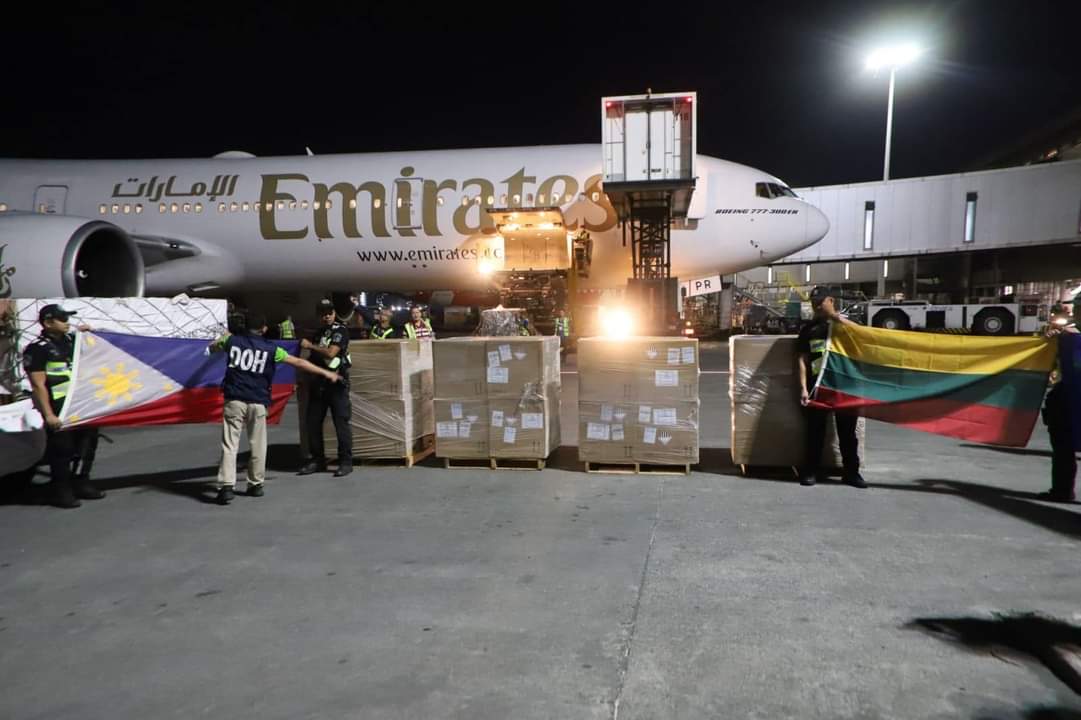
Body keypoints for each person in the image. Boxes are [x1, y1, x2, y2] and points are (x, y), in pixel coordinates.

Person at [207, 313, 340, 505]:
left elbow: (211, 348)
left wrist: (224, 336)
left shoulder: (231, 341)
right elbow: (299, 362)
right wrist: (326, 372)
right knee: (258, 444)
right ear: (263, 329)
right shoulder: (272, 349)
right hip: (258, 400)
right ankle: (255, 484)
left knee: (230, 445)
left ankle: (227, 486)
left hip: (235, 399)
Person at [21, 304, 104, 508]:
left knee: (87, 444)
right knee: (62, 449)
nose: (67, 323)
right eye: (63, 319)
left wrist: (89, 335)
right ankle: (61, 490)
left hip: (81, 403)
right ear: (48, 323)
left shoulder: (73, 341)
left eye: (68, 318)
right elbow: (38, 385)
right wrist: (49, 414)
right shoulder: (37, 348)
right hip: (59, 406)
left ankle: (81, 482)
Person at [796, 288, 866, 488]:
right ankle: (810, 471)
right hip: (818, 386)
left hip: (845, 387)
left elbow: (863, 336)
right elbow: (802, 360)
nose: (817, 306)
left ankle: (852, 473)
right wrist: (803, 388)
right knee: (815, 431)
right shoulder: (809, 330)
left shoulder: (847, 325)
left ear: (831, 300)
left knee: (847, 433)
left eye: (821, 302)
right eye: (814, 303)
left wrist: (836, 318)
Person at [299, 299, 354, 477]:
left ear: (334, 313)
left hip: (337, 384)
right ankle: (317, 460)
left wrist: (309, 346)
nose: (327, 316)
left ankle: (345, 462)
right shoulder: (319, 333)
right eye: (323, 313)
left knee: (341, 423)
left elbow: (331, 353)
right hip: (319, 384)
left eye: (330, 313)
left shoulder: (340, 330)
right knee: (313, 423)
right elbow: (313, 359)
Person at [1041, 298, 1079, 502]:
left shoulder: (1071, 338)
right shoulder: (1066, 337)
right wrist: (1050, 342)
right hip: (1067, 400)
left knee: (1063, 448)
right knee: (1063, 447)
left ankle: (1063, 490)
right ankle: (1062, 490)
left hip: (1070, 399)